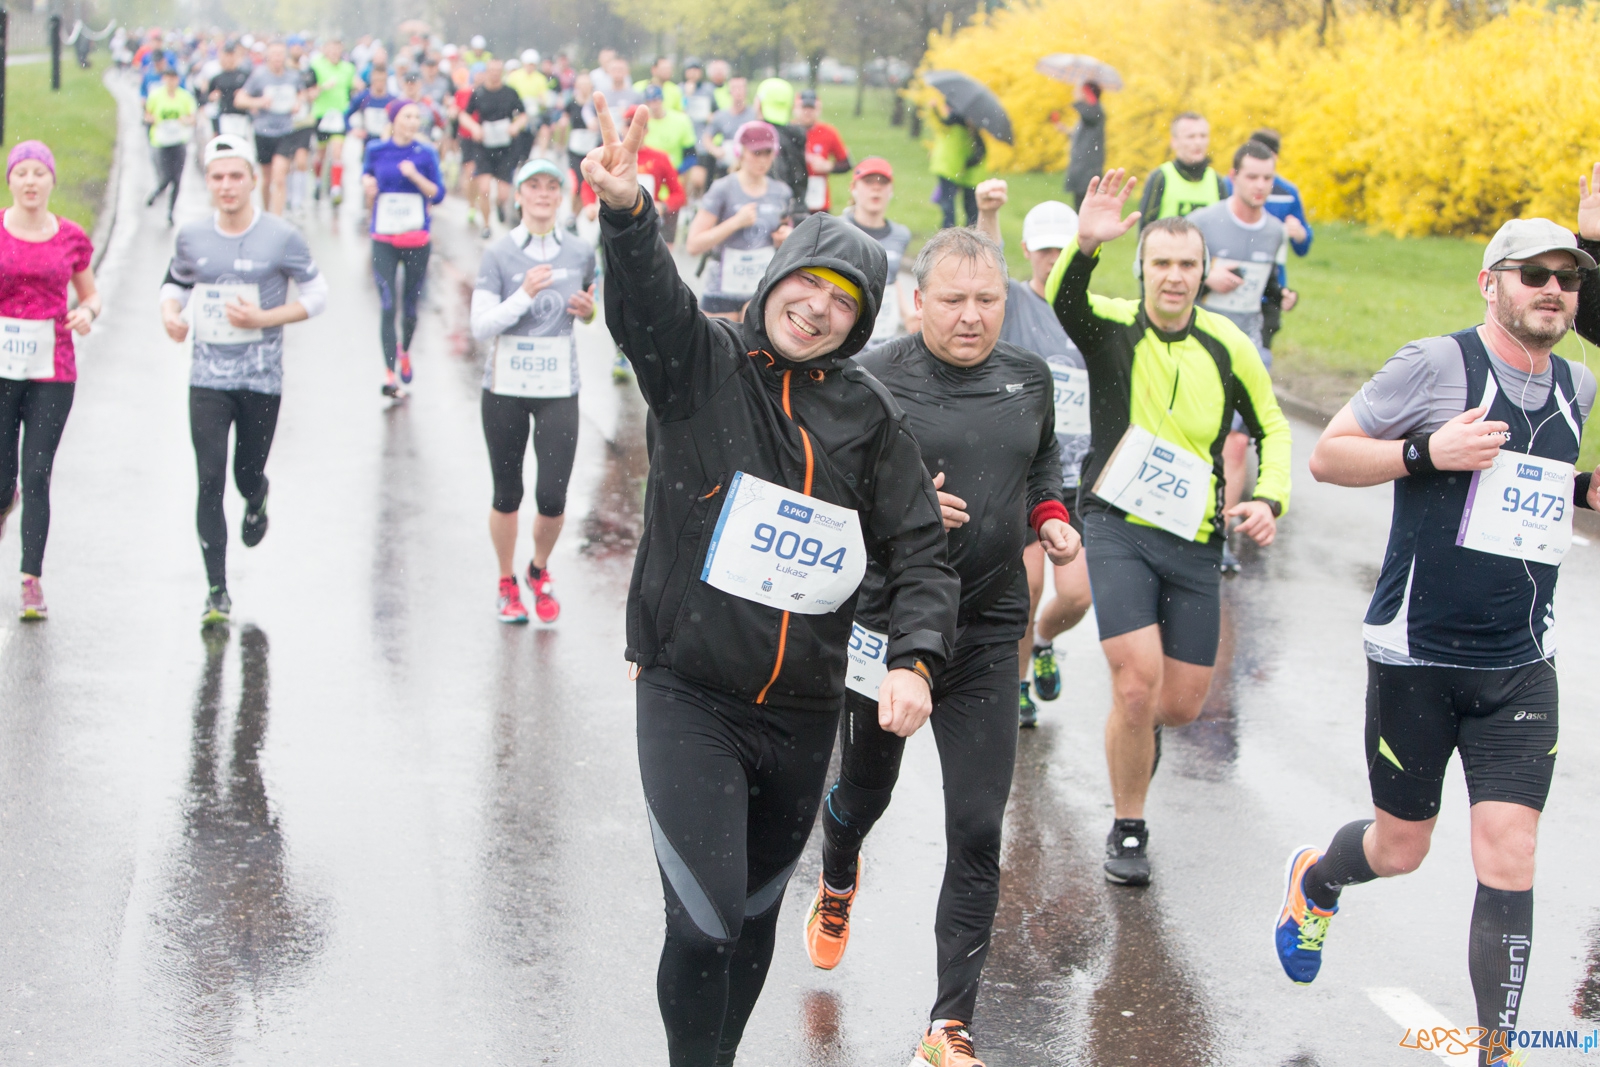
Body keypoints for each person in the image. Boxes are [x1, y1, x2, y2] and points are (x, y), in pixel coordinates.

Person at [581, 95, 958, 1067]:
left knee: (749, 922)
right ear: (779, 277)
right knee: (704, 914)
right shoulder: (701, 363)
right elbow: (645, 304)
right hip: (688, 692)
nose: (819, 305)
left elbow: (919, 548)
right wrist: (627, 216)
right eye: (810, 283)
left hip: (800, 713)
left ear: (859, 317)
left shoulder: (868, 417)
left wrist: (915, 656)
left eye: (844, 298)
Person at [1284, 218, 1598, 1067]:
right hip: (1416, 653)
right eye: (1533, 273)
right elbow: (1330, 456)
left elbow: (1532, 485)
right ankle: (1316, 880)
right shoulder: (1436, 364)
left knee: (1510, 845)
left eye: (1567, 279)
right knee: (1402, 847)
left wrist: (1587, 490)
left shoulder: (1578, 382)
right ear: (1489, 281)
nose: (1551, 291)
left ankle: (1498, 1047)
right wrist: (1427, 451)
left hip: (1521, 663)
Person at [804, 226, 1079, 1067]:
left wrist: (1052, 520)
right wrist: (905, 501)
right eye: (952, 300)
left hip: (990, 623)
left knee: (975, 822)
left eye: (987, 300)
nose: (971, 317)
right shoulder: (870, 379)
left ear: (1007, 301)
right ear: (915, 302)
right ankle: (839, 866)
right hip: (885, 624)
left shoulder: (1028, 378)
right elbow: (816, 482)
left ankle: (949, 1022)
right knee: (865, 793)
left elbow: (1038, 471)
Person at [1047, 169, 1292, 885]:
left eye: (1189, 265)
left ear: (1206, 273)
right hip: (1116, 523)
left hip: (1193, 537)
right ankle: (1128, 825)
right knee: (1134, 683)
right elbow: (1066, 298)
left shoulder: (1226, 344)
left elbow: (1272, 427)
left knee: (1178, 705)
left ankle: (1140, 730)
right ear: (1143, 269)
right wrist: (1084, 245)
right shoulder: (1114, 327)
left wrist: (1270, 498)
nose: (1176, 277)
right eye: (1162, 264)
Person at [158, 136, 329, 626]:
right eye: (217, 177)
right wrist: (171, 313)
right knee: (209, 478)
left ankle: (257, 496)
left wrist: (266, 317)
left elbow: (318, 295)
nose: (227, 186)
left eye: (236, 176)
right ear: (207, 181)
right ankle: (217, 590)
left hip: (260, 380)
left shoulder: (281, 237)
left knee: (243, 475)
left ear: (253, 179)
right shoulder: (192, 236)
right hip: (207, 378)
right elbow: (175, 282)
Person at [973, 181, 1095, 727]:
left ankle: (1044, 642)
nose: (1051, 258)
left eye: (1061, 247)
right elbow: (985, 265)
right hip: (1024, 472)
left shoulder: (1092, 312)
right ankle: (1018, 684)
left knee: (1076, 596)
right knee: (1029, 586)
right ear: (1028, 251)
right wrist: (987, 212)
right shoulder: (1016, 301)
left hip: (1076, 478)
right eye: (1043, 248)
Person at [470, 158, 596, 624]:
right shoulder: (499, 254)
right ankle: (506, 580)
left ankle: (538, 569)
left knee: (553, 496)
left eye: (551, 187)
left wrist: (588, 311)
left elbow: (591, 306)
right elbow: (480, 325)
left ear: (560, 196)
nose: (542, 194)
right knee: (507, 493)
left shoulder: (581, 251)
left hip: (558, 386)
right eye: (533, 186)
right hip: (504, 387)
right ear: (518, 195)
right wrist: (522, 293)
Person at [1188, 140, 1298, 575]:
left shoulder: (1273, 231)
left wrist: (1284, 297)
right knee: (1198, 442)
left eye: (1267, 178)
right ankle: (1180, 525)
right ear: (1234, 177)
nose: (1259, 185)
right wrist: (1205, 276)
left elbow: (1270, 284)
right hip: (1201, 346)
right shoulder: (1203, 223)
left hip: (1248, 348)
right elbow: (1163, 278)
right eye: (1251, 177)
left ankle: (1219, 538)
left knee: (1236, 445)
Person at [0, 142, 100, 621]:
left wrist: (86, 312)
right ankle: (5, 499)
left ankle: (31, 580)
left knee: (37, 473)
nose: (32, 181)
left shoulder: (70, 237)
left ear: (52, 181)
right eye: (23, 173)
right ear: (11, 181)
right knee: (3, 480)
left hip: (52, 369)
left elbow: (91, 294)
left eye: (40, 172)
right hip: (1, 368)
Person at [363, 100, 445, 399]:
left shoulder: (426, 154)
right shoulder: (376, 149)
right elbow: (367, 174)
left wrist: (414, 176)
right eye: (407, 116)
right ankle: (389, 374)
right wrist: (368, 186)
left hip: (416, 240)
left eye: (416, 117)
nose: (412, 122)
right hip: (383, 237)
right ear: (394, 120)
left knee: (410, 308)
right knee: (387, 304)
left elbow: (439, 194)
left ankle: (405, 351)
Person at [685, 121, 794, 321]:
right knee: (719, 349)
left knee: (754, 352)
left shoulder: (781, 192)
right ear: (740, 152)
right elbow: (693, 244)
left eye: (767, 153)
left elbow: (787, 237)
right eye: (756, 153)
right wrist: (735, 222)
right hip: (722, 288)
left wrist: (785, 239)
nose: (762, 160)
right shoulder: (723, 189)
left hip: (761, 289)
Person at [1248, 128, 1312, 352]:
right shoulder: (1230, 186)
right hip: (1235, 283)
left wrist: (1300, 234)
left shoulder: (1287, 192)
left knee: (1261, 353)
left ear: (1274, 157)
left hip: (1272, 286)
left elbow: (1303, 246)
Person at [839, 157, 914, 346]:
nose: (876, 188)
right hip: (846, 337)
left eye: (883, 182)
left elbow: (891, 278)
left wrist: (907, 315)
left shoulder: (901, 234)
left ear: (891, 190)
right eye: (868, 181)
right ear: (853, 188)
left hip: (884, 338)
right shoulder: (838, 230)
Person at [235, 42, 305, 214]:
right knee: (266, 179)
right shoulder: (259, 76)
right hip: (263, 131)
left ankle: (277, 219)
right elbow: (240, 100)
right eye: (274, 54)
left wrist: (298, 103)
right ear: (268, 57)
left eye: (280, 54)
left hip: (286, 131)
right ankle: (266, 213)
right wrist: (258, 102)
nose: (277, 59)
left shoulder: (293, 77)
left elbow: (301, 93)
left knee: (279, 178)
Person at [460, 59, 528, 238]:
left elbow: (523, 115)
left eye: (498, 71)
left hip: (506, 148)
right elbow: (464, 116)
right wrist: (474, 128)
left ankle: (499, 204)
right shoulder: (479, 93)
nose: (495, 74)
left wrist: (516, 126)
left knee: (504, 194)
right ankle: (487, 225)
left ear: (502, 73)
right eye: (492, 70)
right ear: (487, 72)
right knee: (484, 189)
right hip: (484, 146)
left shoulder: (510, 93)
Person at [1137, 112, 1225, 227]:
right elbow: (1145, 230)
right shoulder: (1160, 177)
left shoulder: (1217, 181)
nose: (1198, 142)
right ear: (1174, 142)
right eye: (1190, 136)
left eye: (1203, 136)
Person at [640, 85, 697, 241]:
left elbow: (692, 155)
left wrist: (675, 172)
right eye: (650, 101)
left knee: (666, 240)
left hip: (671, 181)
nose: (654, 105)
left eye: (657, 100)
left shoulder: (680, 120)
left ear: (662, 100)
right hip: (647, 186)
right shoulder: (642, 123)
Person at [145, 66, 198, 225]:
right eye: (167, 78)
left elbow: (192, 118)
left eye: (173, 78)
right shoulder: (156, 96)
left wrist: (185, 121)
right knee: (166, 177)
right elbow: (147, 115)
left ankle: (170, 212)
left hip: (179, 141)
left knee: (177, 179)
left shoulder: (185, 97)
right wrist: (155, 120)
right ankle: (156, 192)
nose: (170, 81)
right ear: (164, 79)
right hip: (161, 142)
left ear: (178, 80)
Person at [307, 37, 356, 205]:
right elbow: (310, 93)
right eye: (332, 50)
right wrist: (322, 88)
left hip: (339, 115)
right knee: (320, 152)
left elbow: (351, 88)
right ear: (326, 50)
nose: (335, 53)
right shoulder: (316, 66)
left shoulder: (348, 69)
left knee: (337, 151)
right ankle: (318, 181)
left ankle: (335, 187)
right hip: (322, 114)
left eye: (338, 50)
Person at [794, 89, 849, 215]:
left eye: (811, 108)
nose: (807, 112)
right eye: (804, 108)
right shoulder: (788, 131)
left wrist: (828, 166)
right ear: (796, 108)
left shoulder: (828, 133)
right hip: (794, 194)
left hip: (818, 201)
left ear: (818, 110)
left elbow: (846, 164)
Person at [930, 108, 984, 229]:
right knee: (959, 205)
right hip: (955, 172)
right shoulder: (965, 130)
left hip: (953, 171)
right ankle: (955, 228)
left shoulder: (957, 127)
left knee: (953, 204)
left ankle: (950, 228)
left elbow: (976, 156)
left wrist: (934, 111)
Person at [700, 77, 758, 183]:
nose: (738, 91)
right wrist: (716, 150)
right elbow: (707, 138)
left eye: (741, 88)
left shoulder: (754, 115)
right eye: (735, 88)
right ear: (729, 91)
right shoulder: (721, 116)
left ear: (746, 91)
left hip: (749, 166)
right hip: (726, 168)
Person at [1056, 81, 1104, 208]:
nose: (1075, 93)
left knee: (1084, 205)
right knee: (1080, 203)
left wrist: (1080, 97)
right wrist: (1065, 130)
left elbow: (1089, 114)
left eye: (1079, 91)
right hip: (1083, 168)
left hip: (1087, 169)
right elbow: (1084, 137)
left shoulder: (1094, 112)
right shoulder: (1091, 114)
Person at [347, 63, 399, 150]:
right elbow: (346, 114)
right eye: (377, 80)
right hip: (367, 144)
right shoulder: (363, 98)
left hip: (387, 144)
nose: (379, 83)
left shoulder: (393, 100)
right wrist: (352, 130)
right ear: (371, 79)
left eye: (382, 80)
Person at [207, 43, 252, 139]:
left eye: (232, 55)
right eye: (227, 55)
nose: (229, 59)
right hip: (224, 116)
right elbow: (206, 97)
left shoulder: (245, 75)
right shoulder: (217, 78)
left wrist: (245, 94)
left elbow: (254, 93)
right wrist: (212, 97)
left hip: (242, 116)